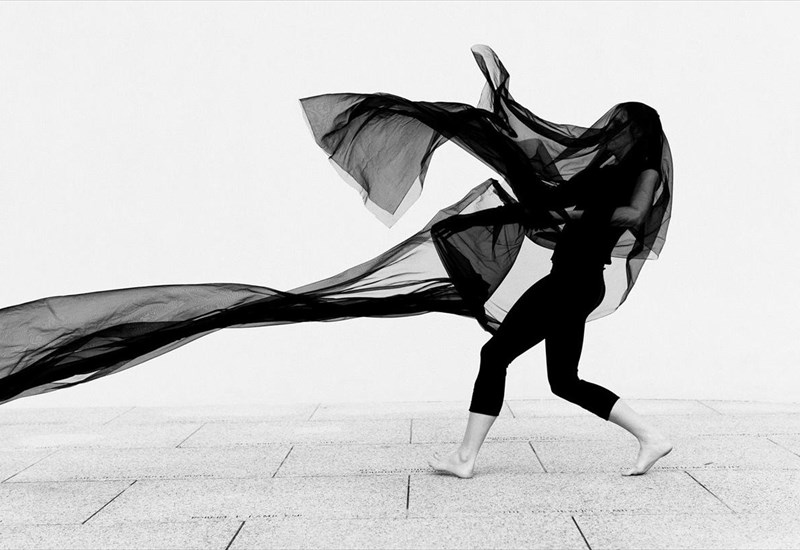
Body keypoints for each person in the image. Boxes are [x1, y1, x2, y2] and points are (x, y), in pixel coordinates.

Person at [426, 115, 674, 477]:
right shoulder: (608, 170)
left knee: (495, 355)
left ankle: (465, 458)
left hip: (574, 281)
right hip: (574, 280)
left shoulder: (645, 171)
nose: (611, 133)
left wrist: (578, 214)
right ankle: (651, 437)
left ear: (638, 135)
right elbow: (557, 200)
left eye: (621, 128)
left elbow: (635, 215)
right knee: (564, 381)